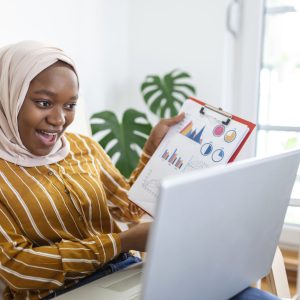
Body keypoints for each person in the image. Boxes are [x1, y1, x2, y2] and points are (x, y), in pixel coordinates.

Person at [0, 41, 279, 300]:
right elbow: (19, 269)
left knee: (249, 296)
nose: (59, 119)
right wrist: (120, 242)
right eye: (44, 103)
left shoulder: (82, 147)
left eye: (70, 105)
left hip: (126, 271)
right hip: (60, 293)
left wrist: (153, 152)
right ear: (9, 96)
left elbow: (129, 208)